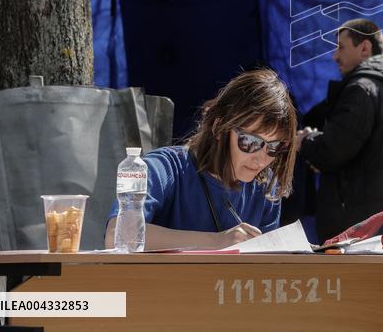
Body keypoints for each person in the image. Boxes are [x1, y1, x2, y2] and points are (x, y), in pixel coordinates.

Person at [104, 69, 298, 250]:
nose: (261, 159)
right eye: (250, 142)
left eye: (275, 147)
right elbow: (117, 235)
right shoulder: (164, 168)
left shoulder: (267, 189)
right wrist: (217, 241)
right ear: (219, 128)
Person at [298, 18, 383, 242]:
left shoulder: (361, 89)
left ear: (364, 48)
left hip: (352, 221)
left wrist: (306, 140)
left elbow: (333, 151)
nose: (335, 56)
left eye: (341, 47)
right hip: (375, 211)